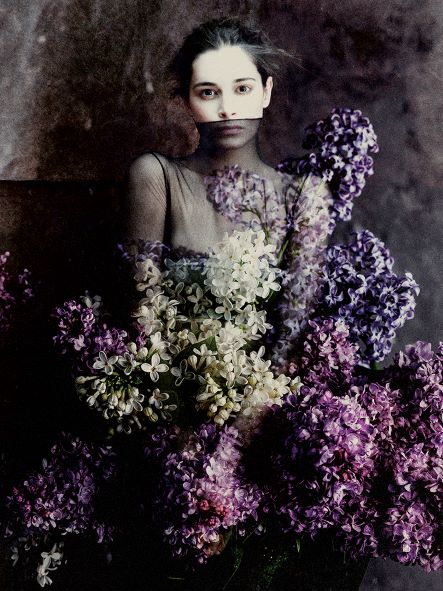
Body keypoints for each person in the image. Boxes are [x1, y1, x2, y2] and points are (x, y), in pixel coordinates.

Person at [124, 17, 309, 253]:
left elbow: (304, 288)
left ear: (265, 92)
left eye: (242, 89)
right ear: (186, 102)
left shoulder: (300, 195)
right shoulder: (157, 177)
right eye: (208, 92)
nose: (227, 108)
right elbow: (140, 287)